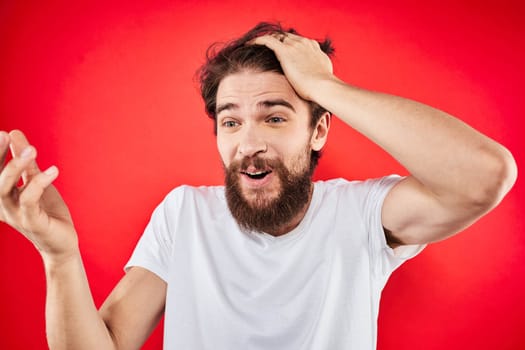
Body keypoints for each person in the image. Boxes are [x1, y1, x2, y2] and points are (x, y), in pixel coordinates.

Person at [0, 22, 517, 350]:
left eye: (273, 118)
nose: (248, 143)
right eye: (230, 121)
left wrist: (322, 87)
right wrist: (60, 257)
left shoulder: (363, 215)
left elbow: (484, 176)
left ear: (318, 130)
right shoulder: (185, 215)